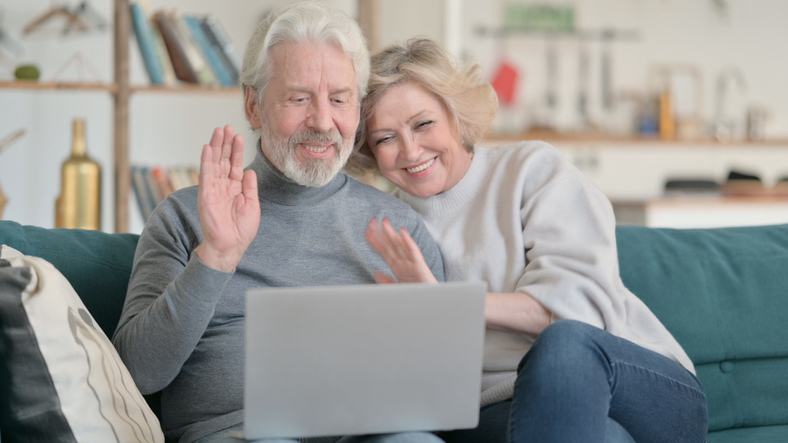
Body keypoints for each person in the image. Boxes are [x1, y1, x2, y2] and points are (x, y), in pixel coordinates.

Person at [112, 5, 445, 443]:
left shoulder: (401, 228)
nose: (323, 122)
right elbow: (136, 373)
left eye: (340, 99)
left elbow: (442, 395)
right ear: (254, 106)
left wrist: (430, 327)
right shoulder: (184, 216)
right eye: (299, 98)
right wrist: (216, 257)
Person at [350, 38, 708, 443]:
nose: (410, 150)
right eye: (385, 138)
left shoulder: (531, 170)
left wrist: (446, 303)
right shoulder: (386, 228)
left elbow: (579, 313)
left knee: (565, 343)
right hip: (501, 408)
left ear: (455, 114)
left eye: (423, 124)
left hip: (635, 386)